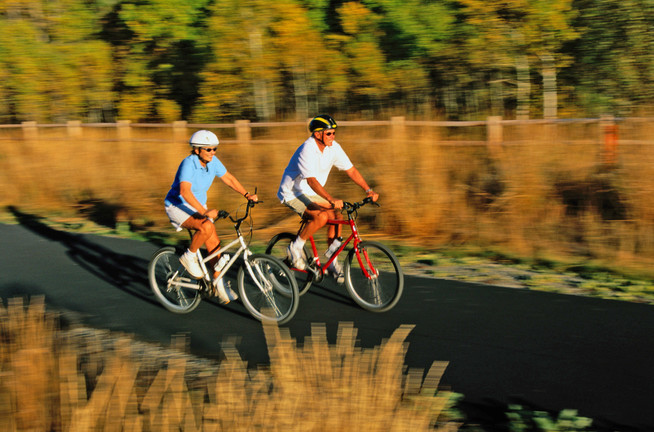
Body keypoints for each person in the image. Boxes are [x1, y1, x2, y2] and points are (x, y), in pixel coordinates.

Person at [277, 114, 378, 282]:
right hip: (292, 192)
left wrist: (368, 190)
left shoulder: (334, 147)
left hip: (311, 192)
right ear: (318, 134)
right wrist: (331, 199)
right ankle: (295, 248)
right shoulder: (307, 150)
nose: (333, 136)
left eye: (334, 133)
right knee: (322, 216)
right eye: (329, 133)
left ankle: (332, 261)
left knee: (337, 215)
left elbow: (351, 170)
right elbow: (311, 181)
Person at [164, 130, 258, 304]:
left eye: (215, 149)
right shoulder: (188, 163)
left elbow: (228, 178)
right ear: (197, 149)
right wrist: (204, 212)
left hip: (198, 208)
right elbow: (184, 192)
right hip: (178, 205)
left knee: (215, 247)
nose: (213, 152)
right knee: (206, 226)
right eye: (208, 149)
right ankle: (189, 256)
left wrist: (247, 194)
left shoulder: (213, 162)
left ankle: (219, 284)